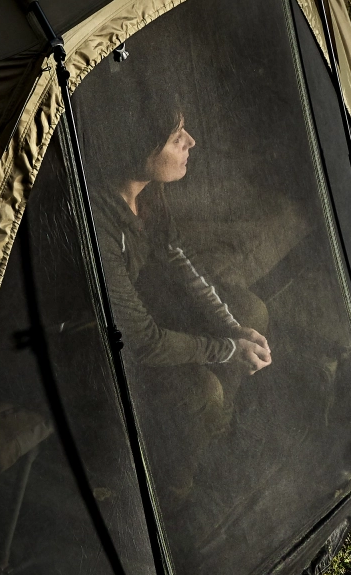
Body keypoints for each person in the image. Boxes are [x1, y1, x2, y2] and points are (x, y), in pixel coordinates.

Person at [92, 112, 271, 498]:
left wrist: (231, 327)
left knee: (250, 313)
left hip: (141, 312)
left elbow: (178, 259)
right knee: (203, 390)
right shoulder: (100, 221)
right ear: (142, 150)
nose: (191, 141)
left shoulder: (147, 194)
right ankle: (175, 490)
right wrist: (225, 349)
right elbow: (142, 340)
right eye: (176, 138)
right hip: (95, 352)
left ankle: (213, 436)